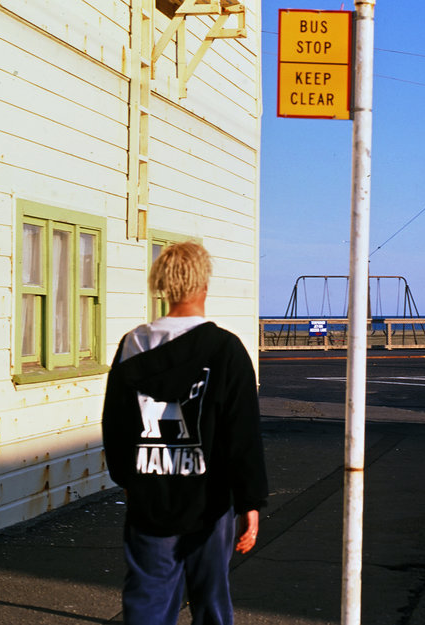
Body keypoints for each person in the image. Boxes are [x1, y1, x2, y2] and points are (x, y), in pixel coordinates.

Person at [102, 241, 267, 625]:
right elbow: (242, 434)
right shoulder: (225, 350)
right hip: (210, 501)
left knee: (148, 602)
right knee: (211, 602)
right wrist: (250, 501)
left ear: (163, 286)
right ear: (203, 284)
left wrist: (127, 479)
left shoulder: (133, 345)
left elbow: (116, 423)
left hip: (149, 496)